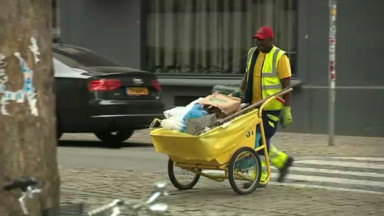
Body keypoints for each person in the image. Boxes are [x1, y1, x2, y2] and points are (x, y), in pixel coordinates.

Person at [238, 26, 294, 187]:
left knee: (260, 139)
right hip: (253, 105)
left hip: (271, 107)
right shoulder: (252, 53)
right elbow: (247, 75)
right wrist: (239, 90)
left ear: (271, 40)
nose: (258, 42)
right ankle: (283, 162)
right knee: (256, 138)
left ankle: (260, 175)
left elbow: (287, 86)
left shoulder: (280, 57)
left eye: (262, 40)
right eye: (257, 39)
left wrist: (287, 109)